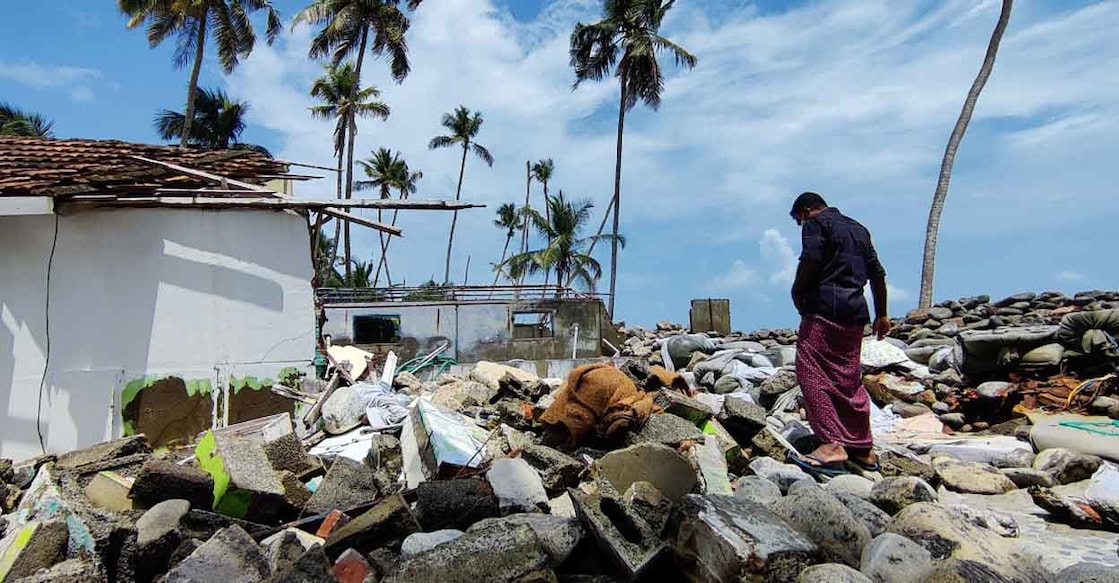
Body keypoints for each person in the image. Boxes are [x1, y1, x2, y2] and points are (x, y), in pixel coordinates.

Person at [787, 192, 890, 476]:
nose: (801, 225)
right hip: (855, 313)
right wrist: (882, 314)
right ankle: (862, 448)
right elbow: (877, 274)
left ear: (807, 211)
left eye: (799, 220)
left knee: (812, 373)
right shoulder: (858, 229)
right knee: (848, 377)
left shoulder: (817, 224)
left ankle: (832, 445)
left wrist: (797, 291)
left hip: (824, 309)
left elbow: (811, 259)